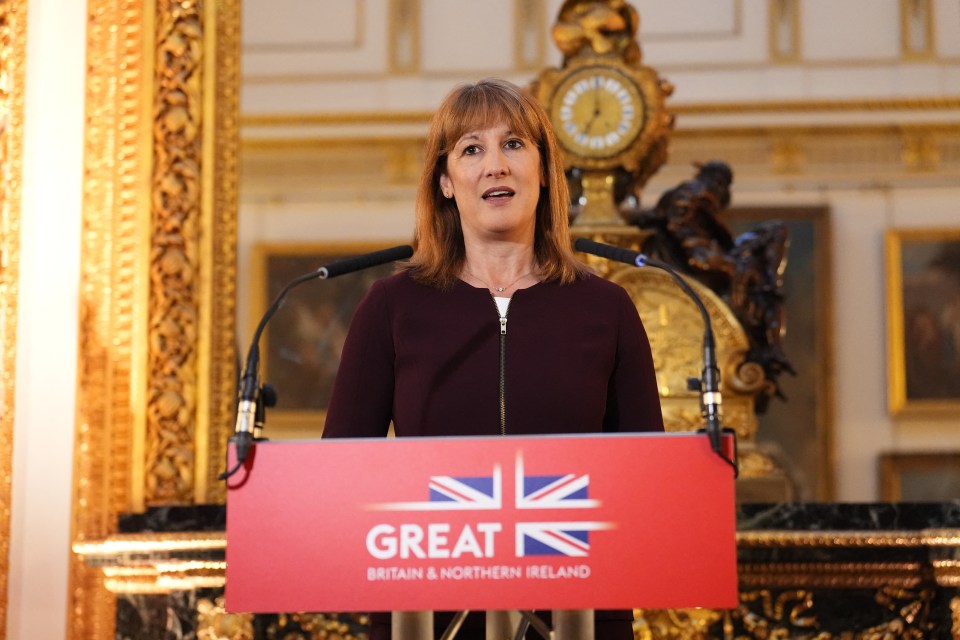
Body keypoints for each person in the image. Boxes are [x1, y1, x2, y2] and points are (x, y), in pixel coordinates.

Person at [323, 78, 664, 640]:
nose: (495, 166)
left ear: (543, 171)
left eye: (513, 145)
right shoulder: (391, 306)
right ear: (445, 182)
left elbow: (648, 480)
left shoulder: (607, 308)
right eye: (471, 149)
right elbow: (340, 477)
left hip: (579, 612)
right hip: (425, 614)